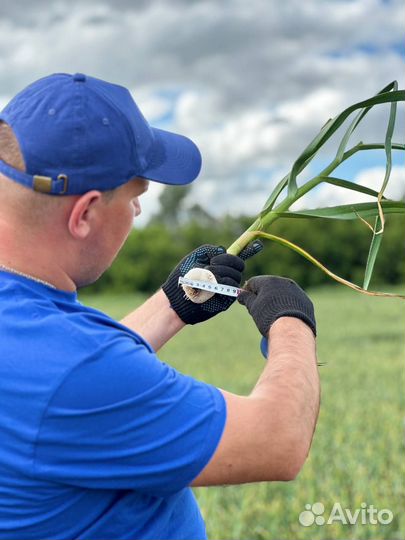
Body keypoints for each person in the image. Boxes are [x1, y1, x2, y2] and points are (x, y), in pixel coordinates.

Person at [0, 73, 320, 540]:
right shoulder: (76, 372)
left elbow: (68, 383)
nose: (137, 213)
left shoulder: (36, 335)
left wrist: (174, 306)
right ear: (84, 214)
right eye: (136, 198)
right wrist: (292, 321)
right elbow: (279, 439)